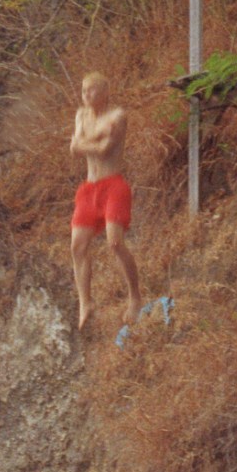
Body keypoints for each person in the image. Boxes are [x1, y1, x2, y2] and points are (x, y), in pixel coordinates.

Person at [69, 72, 141, 331]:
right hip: (90, 188)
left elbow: (104, 150)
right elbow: (73, 148)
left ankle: (135, 297)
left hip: (113, 185)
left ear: (104, 92)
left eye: (92, 91)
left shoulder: (117, 116)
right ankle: (85, 303)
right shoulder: (81, 115)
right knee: (77, 245)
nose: (86, 96)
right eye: (83, 91)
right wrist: (93, 141)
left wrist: (86, 143)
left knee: (114, 242)